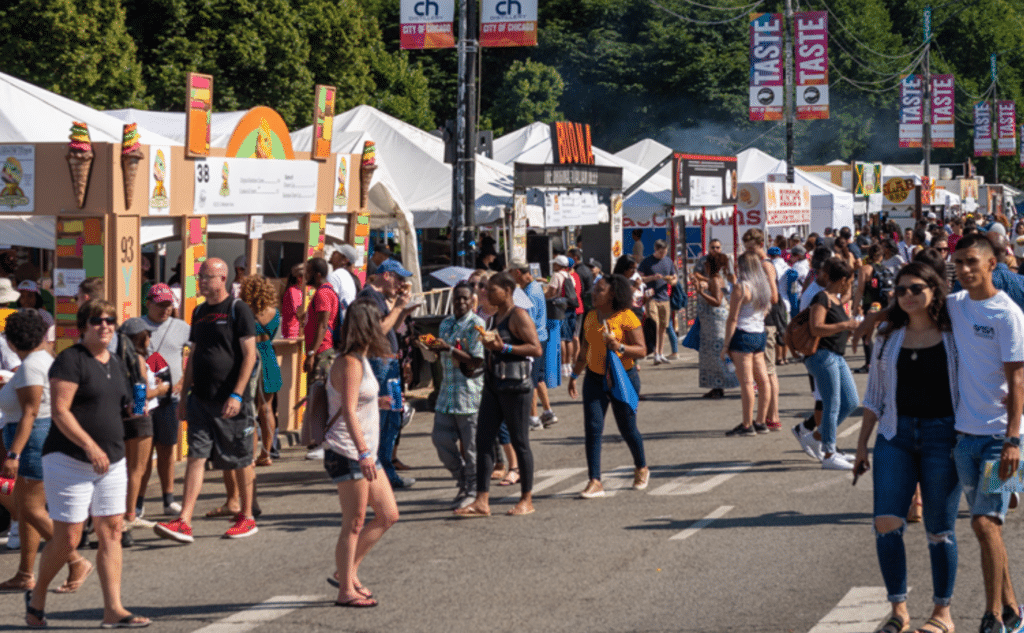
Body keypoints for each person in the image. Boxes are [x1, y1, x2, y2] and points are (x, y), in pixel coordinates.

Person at [27, 300, 150, 629]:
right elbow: (61, 411)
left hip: (112, 461)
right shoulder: (70, 360)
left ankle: (114, 609)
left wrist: (137, 409)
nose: (106, 326)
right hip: (69, 459)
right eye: (98, 321)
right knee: (69, 539)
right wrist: (90, 445)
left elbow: (121, 405)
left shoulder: (117, 362)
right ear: (84, 326)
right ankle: (37, 597)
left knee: (112, 530)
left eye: (111, 321)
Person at [854, 263, 961, 633]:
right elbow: (875, 395)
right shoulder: (888, 335)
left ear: (934, 289)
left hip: (943, 436)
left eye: (916, 288)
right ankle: (898, 610)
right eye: (900, 291)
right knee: (886, 523)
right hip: (894, 435)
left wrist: (1011, 474)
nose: (908, 296)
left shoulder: (955, 331)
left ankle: (942, 614)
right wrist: (862, 445)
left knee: (940, 529)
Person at [947, 234, 1024, 633]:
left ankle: (991, 615)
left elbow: (1019, 379)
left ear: (992, 264)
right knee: (988, 526)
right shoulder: (954, 306)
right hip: (965, 438)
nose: (963, 270)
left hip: (1003, 440)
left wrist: (1014, 441)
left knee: (983, 523)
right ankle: (1013, 609)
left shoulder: (1007, 314)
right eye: (957, 263)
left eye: (971, 262)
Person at [154, 258, 259, 543]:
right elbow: (194, 356)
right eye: (200, 276)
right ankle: (184, 520)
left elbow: (249, 355)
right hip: (200, 397)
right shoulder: (199, 311)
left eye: (207, 277)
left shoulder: (238, 310)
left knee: (240, 458)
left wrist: (238, 394)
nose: (201, 281)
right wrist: (185, 395)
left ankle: (247, 516)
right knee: (196, 457)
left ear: (223, 278)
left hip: (230, 401)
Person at [0, 309, 92, 594]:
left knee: (29, 507)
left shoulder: (30, 366)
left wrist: (13, 455)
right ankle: (25, 572)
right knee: (29, 510)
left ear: (13, 342)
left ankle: (75, 559)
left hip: (31, 437)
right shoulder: (43, 359)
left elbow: (30, 411)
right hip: (37, 433)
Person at [323, 298, 399, 608]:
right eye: (378, 321)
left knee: (388, 515)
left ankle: (347, 572)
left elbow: (356, 403)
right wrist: (364, 452)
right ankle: (345, 591)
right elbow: (349, 412)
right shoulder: (350, 362)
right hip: (349, 450)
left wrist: (377, 402)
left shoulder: (361, 359)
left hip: (363, 450)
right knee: (354, 522)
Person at [454, 273, 543, 517]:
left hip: (516, 387)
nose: (485, 293)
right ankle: (482, 500)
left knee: (520, 442)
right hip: (494, 385)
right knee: (484, 441)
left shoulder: (518, 315)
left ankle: (527, 498)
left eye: (491, 289)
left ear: (507, 290)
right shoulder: (495, 317)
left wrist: (503, 347)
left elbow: (536, 348)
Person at [567, 274, 649, 498]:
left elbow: (642, 350)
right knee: (593, 429)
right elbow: (584, 351)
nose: (593, 294)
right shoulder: (591, 317)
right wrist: (574, 375)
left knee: (627, 428)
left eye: (599, 290)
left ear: (612, 294)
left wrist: (620, 346)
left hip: (623, 378)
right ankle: (595, 480)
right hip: (594, 378)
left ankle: (641, 466)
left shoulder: (627, 317)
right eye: (594, 289)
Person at [358, 259, 418, 489]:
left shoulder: (381, 298)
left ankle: (387, 470)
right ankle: (379, 473)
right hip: (380, 363)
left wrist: (402, 310)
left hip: (390, 363)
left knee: (394, 416)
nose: (401, 283)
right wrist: (399, 307)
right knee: (382, 419)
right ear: (386, 275)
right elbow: (379, 330)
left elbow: (391, 328)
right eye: (399, 278)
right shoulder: (368, 297)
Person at [430, 282, 485, 510]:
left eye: (465, 299)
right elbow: (441, 353)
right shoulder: (446, 323)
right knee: (440, 439)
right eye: (457, 299)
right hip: (447, 393)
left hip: (468, 395)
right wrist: (433, 348)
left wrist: (449, 349)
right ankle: (462, 480)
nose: (461, 303)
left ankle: (473, 490)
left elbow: (477, 360)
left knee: (471, 448)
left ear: (472, 300)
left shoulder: (477, 324)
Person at [138, 283, 190, 517]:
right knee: (143, 452)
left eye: (168, 305)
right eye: (160, 305)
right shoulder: (136, 327)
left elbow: (196, 353)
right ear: (148, 303)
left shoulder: (181, 327)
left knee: (167, 449)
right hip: (145, 398)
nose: (165, 309)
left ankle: (168, 499)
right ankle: (138, 501)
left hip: (171, 398)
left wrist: (184, 382)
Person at [804, 258, 860, 470]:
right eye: (850, 280)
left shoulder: (835, 298)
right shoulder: (821, 298)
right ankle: (829, 453)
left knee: (851, 402)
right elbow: (816, 328)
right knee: (832, 404)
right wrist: (845, 324)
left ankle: (816, 437)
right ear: (843, 279)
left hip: (836, 356)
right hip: (822, 356)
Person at [117, 318, 164, 546]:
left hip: (119, 419)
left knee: (124, 471)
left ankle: (122, 516)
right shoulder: (137, 359)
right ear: (139, 337)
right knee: (136, 471)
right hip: (139, 419)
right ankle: (129, 516)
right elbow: (141, 395)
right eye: (148, 334)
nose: (150, 338)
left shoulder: (116, 358)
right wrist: (162, 389)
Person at [721, 253, 772, 436]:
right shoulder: (763, 286)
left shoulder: (741, 288)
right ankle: (761, 421)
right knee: (763, 380)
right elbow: (766, 311)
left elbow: (732, 318)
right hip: (759, 333)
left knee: (747, 383)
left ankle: (746, 424)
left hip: (743, 334)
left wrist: (726, 345)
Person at [741, 229, 782, 432]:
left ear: (760, 245)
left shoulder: (766, 265)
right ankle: (768, 415)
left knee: (768, 371)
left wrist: (754, 299)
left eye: (750, 248)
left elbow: (774, 297)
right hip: (760, 322)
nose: (748, 252)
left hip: (767, 322)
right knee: (764, 372)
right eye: (745, 248)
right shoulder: (758, 265)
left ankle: (772, 416)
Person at [240, 275, 283, 467]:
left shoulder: (243, 312)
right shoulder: (275, 314)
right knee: (267, 409)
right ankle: (266, 454)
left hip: (249, 358)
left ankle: (249, 454)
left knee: (249, 409)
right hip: (269, 356)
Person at [691, 252, 738, 399]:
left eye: (706, 263)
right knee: (712, 357)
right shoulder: (718, 279)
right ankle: (716, 385)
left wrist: (701, 293)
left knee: (716, 357)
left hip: (715, 325)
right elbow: (725, 297)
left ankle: (720, 386)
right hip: (712, 324)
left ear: (710, 265)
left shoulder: (716, 280)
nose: (704, 265)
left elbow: (718, 301)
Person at [638, 239, 678, 365]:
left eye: (665, 252)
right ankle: (655, 352)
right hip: (651, 298)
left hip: (665, 298)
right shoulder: (647, 262)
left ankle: (660, 353)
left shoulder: (668, 261)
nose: (663, 255)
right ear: (655, 250)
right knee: (654, 324)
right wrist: (652, 278)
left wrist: (672, 280)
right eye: (661, 252)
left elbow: (675, 278)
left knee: (663, 327)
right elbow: (639, 279)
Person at [303, 257, 340, 385]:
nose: (305, 276)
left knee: (317, 395)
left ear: (318, 276)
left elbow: (323, 325)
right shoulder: (325, 291)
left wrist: (311, 354)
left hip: (322, 353)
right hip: (322, 351)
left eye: (308, 272)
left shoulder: (323, 293)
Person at [327, 244, 362, 322]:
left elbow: (327, 306)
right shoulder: (348, 277)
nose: (333, 252)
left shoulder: (335, 276)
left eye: (337, 252)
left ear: (345, 260)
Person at [281, 263, 305, 339]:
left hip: (299, 330)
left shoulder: (299, 290)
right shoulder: (292, 291)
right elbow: (298, 311)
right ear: (299, 278)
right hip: (292, 331)